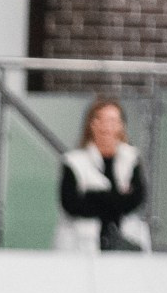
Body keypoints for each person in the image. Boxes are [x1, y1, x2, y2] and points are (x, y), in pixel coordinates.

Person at [55, 96, 150, 252]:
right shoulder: (74, 162)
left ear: (121, 125)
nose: (107, 127)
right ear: (91, 124)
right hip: (83, 243)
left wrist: (95, 196)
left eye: (113, 121)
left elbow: (136, 199)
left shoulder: (131, 159)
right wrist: (116, 198)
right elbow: (71, 204)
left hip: (125, 240)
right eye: (102, 120)